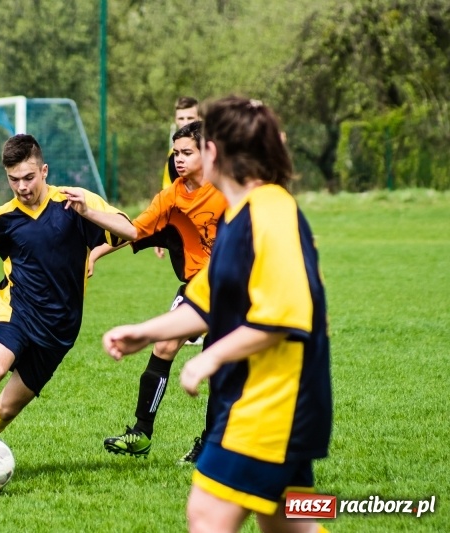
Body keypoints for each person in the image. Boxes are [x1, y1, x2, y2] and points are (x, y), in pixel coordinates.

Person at [102, 96, 332, 533]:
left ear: (215, 153)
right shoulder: (238, 217)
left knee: (207, 513)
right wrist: (144, 333)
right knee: (288, 521)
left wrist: (209, 358)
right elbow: (204, 302)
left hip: (274, 402)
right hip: (262, 400)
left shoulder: (272, 211)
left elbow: (286, 313)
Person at [0, 133, 133, 478]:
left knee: (8, 406)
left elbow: (130, 230)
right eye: (13, 180)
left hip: (61, 327)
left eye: (29, 177)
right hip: (16, 312)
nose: (22, 187)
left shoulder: (74, 202)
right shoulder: (3, 218)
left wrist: (94, 241)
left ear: (44, 171)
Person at [86, 121, 226, 463]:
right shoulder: (171, 196)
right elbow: (135, 229)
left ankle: (211, 443)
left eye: (187, 153)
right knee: (164, 345)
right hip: (197, 286)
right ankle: (141, 433)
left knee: (218, 365)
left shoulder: (228, 188)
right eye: (175, 153)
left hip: (232, 286)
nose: (178, 159)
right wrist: (95, 247)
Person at [155, 96, 201, 260]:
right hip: (188, 228)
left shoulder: (212, 149)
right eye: (181, 118)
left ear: (199, 119)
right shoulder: (172, 157)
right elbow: (168, 194)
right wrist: (160, 230)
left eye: (190, 118)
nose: (185, 122)